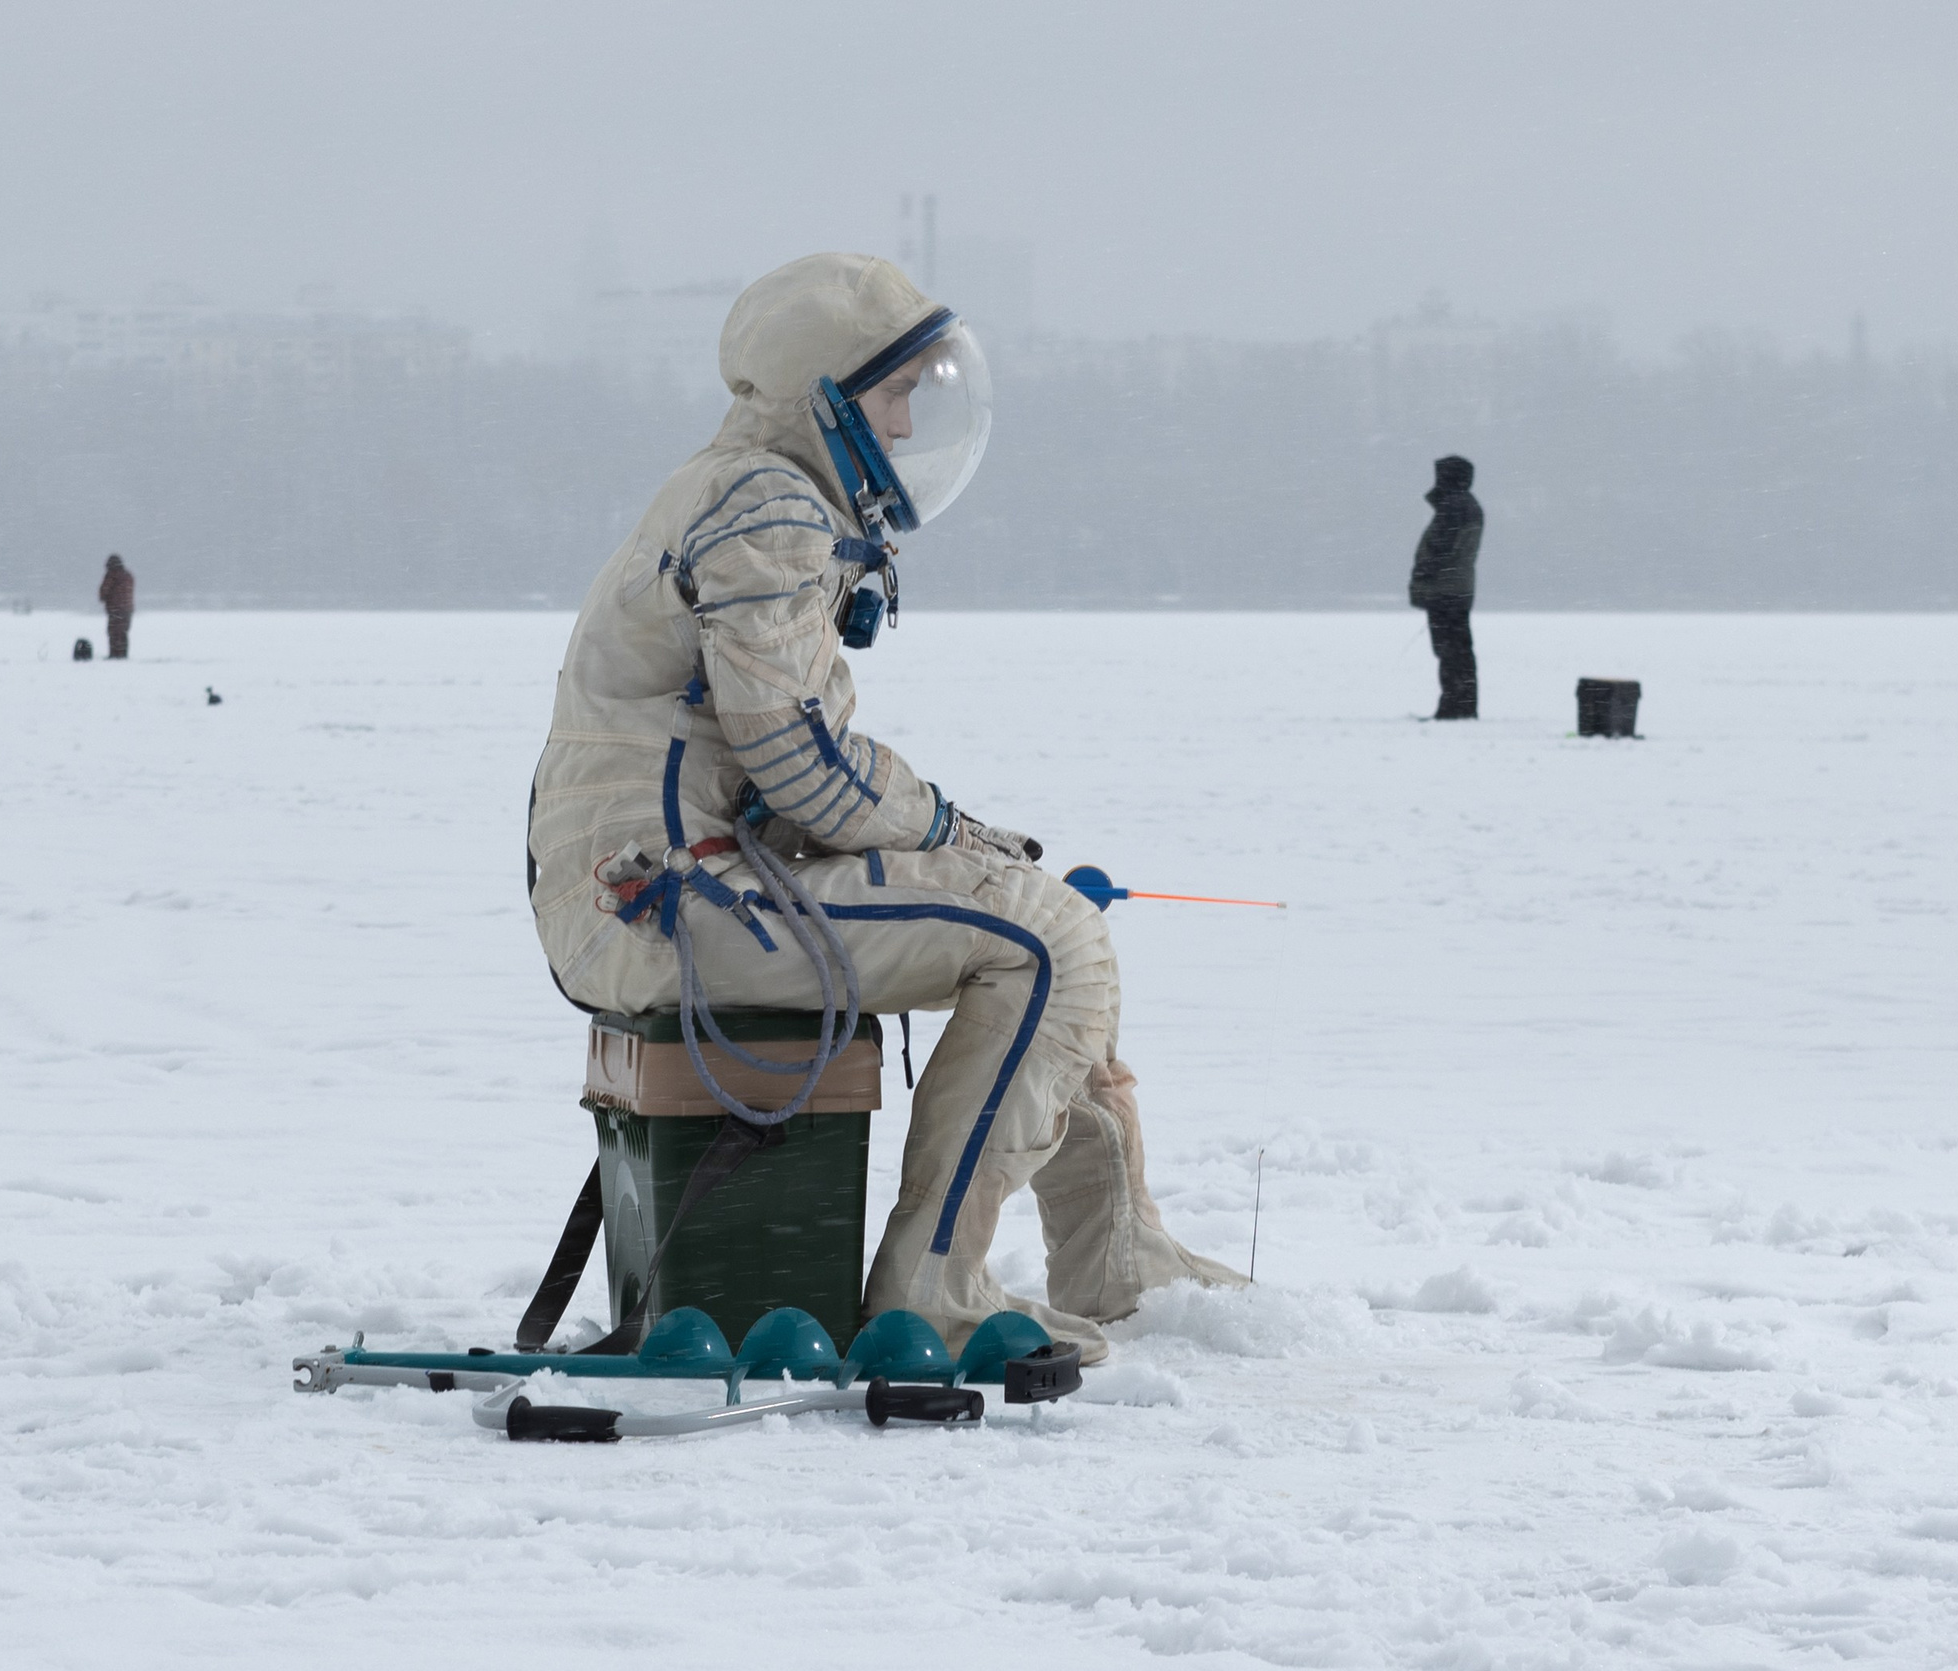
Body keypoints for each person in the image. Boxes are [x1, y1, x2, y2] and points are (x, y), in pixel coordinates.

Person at [527, 253, 1242, 1361]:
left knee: (1045, 916)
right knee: (1047, 941)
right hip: (669, 900)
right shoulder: (767, 504)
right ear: (823, 393)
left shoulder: (747, 490)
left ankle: (1117, 1259)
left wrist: (971, 851)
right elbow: (801, 761)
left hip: (659, 888)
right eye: (893, 394)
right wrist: (953, 831)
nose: (906, 426)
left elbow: (775, 764)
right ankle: (933, 1295)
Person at [1409, 456, 1483, 719]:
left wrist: (1422, 573)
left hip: (1444, 591)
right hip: (1459, 589)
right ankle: (1463, 706)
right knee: (1460, 650)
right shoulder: (1468, 505)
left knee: (1450, 651)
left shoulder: (1453, 507)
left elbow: (1440, 549)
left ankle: (1453, 708)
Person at [98, 555, 135, 660]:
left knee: (113, 633)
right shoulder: (128, 576)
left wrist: (104, 597)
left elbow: (103, 592)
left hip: (115, 609)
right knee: (123, 633)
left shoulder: (112, 575)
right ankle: (123, 655)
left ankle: (114, 655)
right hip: (127, 610)